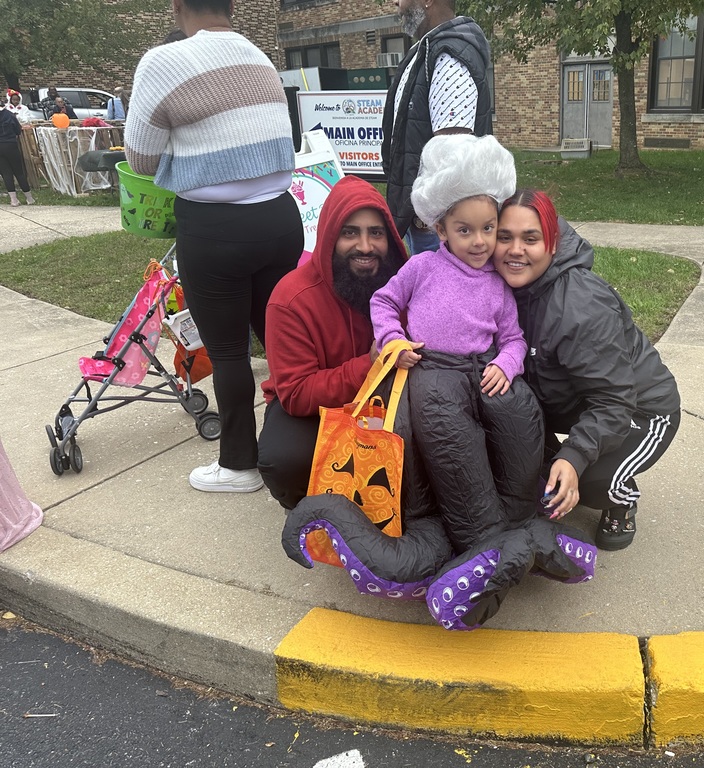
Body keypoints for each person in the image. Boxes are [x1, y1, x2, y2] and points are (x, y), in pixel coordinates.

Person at [125, 0, 303, 494]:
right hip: (281, 219)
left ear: (178, 6)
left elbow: (140, 158)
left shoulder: (165, 61)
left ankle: (239, 465)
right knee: (283, 344)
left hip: (215, 226)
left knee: (228, 353)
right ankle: (309, 443)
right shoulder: (257, 55)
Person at [370, 134, 543, 551]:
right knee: (450, 439)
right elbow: (384, 301)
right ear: (440, 229)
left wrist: (507, 363)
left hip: (484, 370)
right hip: (433, 371)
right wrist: (393, 339)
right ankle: (476, 534)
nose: (480, 242)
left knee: (520, 414)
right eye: (465, 230)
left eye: (488, 229)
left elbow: (514, 338)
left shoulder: (498, 284)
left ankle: (520, 512)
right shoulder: (423, 266)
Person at [494, 190, 681, 551]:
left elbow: (614, 400)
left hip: (640, 409)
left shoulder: (580, 305)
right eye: (505, 237)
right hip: (571, 400)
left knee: (595, 484)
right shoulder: (500, 286)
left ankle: (620, 498)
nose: (515, 250)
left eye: (530, 238)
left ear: (552, 243)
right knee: (538, 478)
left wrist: (574, 456)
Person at [258, 176, 407, 510]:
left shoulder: (408, 282)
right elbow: (296, 395)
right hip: (318, 410)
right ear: (328, 236)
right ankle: (311, 506)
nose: (365, 246)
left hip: (394, 402)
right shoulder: (291, 297)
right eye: (350, 232)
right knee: (284, 459)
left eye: (376, 233)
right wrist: (370, 364)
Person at [381, 0, 491, 255]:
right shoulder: (426, 51)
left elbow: (453, 159)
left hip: (434, 229)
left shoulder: (449, 58)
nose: (396, 2)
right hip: (420, 219)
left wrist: (428, 219)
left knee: (442, 293)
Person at [0, 107, 35, 206]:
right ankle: (29, 198)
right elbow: (18, 130)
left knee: (6, 173)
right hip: (10, 144)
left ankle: (13, 200)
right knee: (19, 172)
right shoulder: (9, 114)